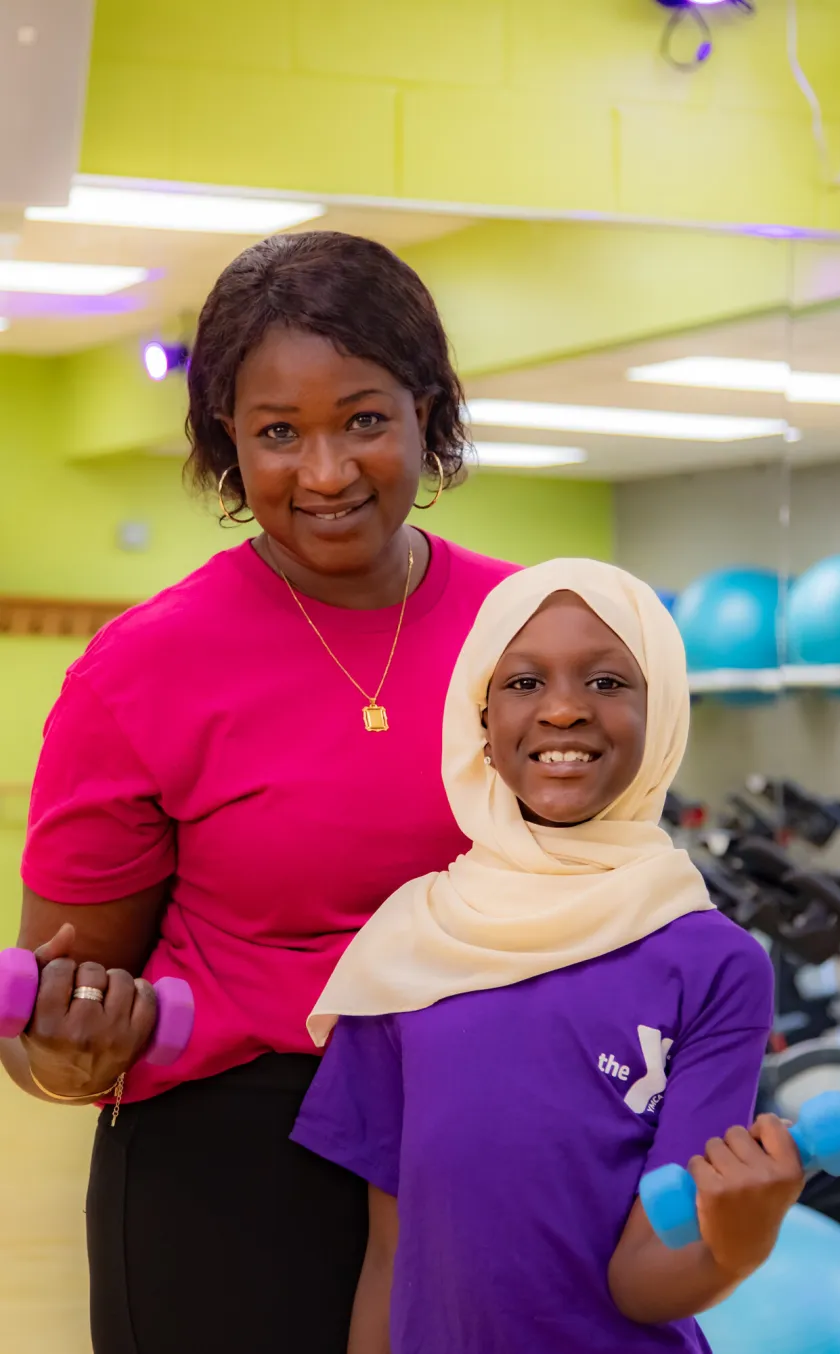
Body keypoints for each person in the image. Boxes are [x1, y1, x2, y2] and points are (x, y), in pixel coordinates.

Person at [0, 231, 516, 1354]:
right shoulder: (143, 668)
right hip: (234, 1169)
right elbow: (50, 1009)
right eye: (279, 432)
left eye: (363, 419)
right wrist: (71, 1046)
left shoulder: (529, 632)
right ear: (226, 441)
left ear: (425, 409)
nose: (324, 470)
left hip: (486, 1139)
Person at [291, 559, 803, 1354]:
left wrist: (738, 1244)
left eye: (606, 682)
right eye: (524, 684)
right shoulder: (414, 943)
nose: (564, 711)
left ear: (663, 712)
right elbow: (392, 1255)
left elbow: (643, 1282)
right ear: (481, 725)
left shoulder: (714, 965)